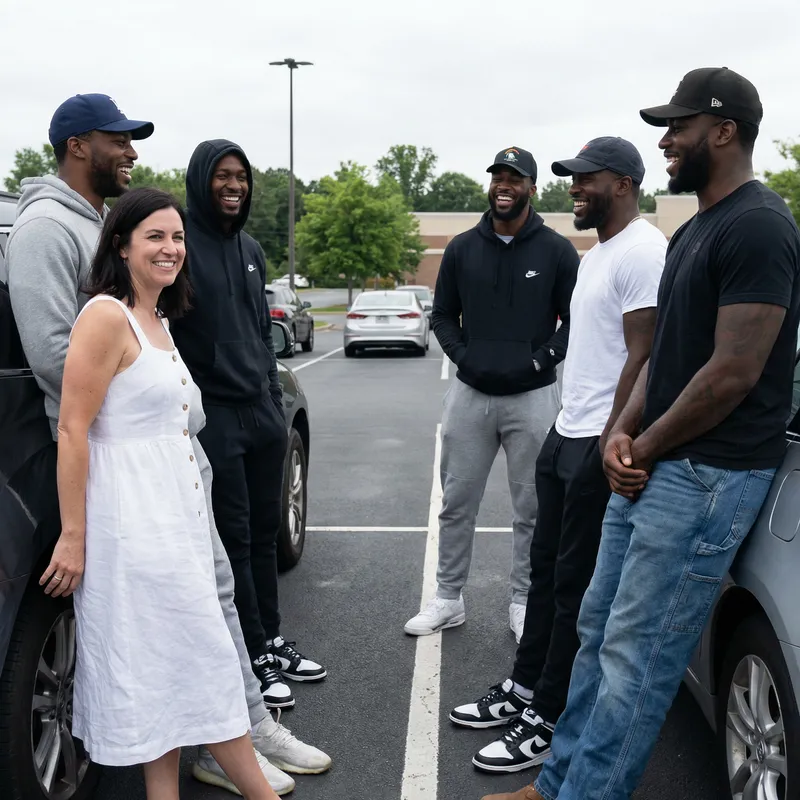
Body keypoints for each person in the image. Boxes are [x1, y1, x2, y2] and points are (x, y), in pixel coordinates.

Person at [484, 67, 800, 800]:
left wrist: (645, 445)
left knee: (637, 656)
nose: (666, 141)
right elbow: (664, 354)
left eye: (679, 126)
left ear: (724, 132)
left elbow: (733, 372)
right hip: (657, 467)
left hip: (709, 476)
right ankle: (555, 785)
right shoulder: (692, 231)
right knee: (597, 632)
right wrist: (621, 432)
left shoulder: (760, 226)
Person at [2, 94, 329, 797]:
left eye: (176, 237)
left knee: (208, 617)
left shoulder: (133, 278)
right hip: (130, 489)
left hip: (171, 474)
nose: (131, 151)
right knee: (193, 641)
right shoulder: (50, 235)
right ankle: (238, 740)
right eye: (118, 139)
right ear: (78, 144)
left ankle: (241, 730)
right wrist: (127, 425)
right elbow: (63, 372)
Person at [41, 187, 280, 800]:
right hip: (134, 530)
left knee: (165, 683)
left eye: (177, 237)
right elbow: (73, 429)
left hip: (175, 523)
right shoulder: (105, 317)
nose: (170, 248)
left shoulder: (158, 320)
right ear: (121, 246)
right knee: (207, 670)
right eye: (154, 236)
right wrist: (74, 536)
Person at [455, 138, 666, 774]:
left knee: (575, 589)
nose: (573, 187)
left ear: (623, 184)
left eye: (585, 178)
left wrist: (614, 435)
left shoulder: (644, 251)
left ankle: (549, 718)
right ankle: (524, 688)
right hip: (565, 431)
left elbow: (646, 356)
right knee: (544, 573)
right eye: (571, 178)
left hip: (599, 441)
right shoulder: (596, 254)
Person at [170, 139, 326, 710]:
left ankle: (272, 639)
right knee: (232, 540)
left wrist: (269, 391)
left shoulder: (252, 248)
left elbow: (261, 328)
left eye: (241, 176)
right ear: (201, 179)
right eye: (222, 176)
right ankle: (251, 653)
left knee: (266, 533)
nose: (234, 186)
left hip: (261, 411)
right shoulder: (180, 244)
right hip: (213, 415)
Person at [405, 147, 580, 640]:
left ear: (531, 188)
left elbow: (574, 320)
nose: (504, 185)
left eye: (514, 178)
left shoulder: (556, 250)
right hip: (471, 395)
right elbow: (442, 315)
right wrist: (465, 357)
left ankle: (524, 601)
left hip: (534, 397)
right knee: (456, 502)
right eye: (498, 177)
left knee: (533, 509)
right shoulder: (462, 248)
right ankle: (448, 598)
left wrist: (540, 360)